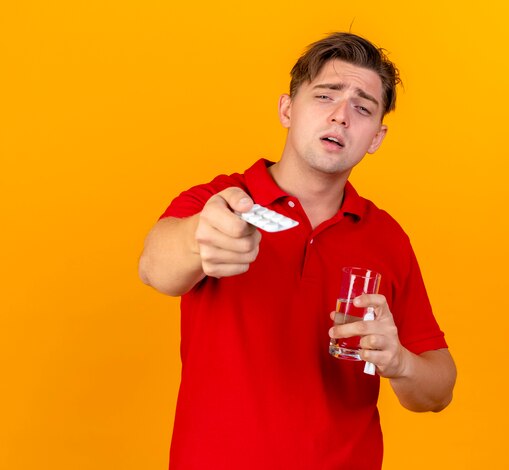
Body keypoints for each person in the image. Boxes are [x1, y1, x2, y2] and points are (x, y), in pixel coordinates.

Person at [139, 32, 456, 470]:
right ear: (287, 109)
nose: (341, 116)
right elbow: (155, 267)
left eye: (362, 107)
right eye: (325, 96)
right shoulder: (223, 199)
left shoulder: (387, 238)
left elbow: (439, 391)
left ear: (377, 137)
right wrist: (201, 239)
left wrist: (400, 361)